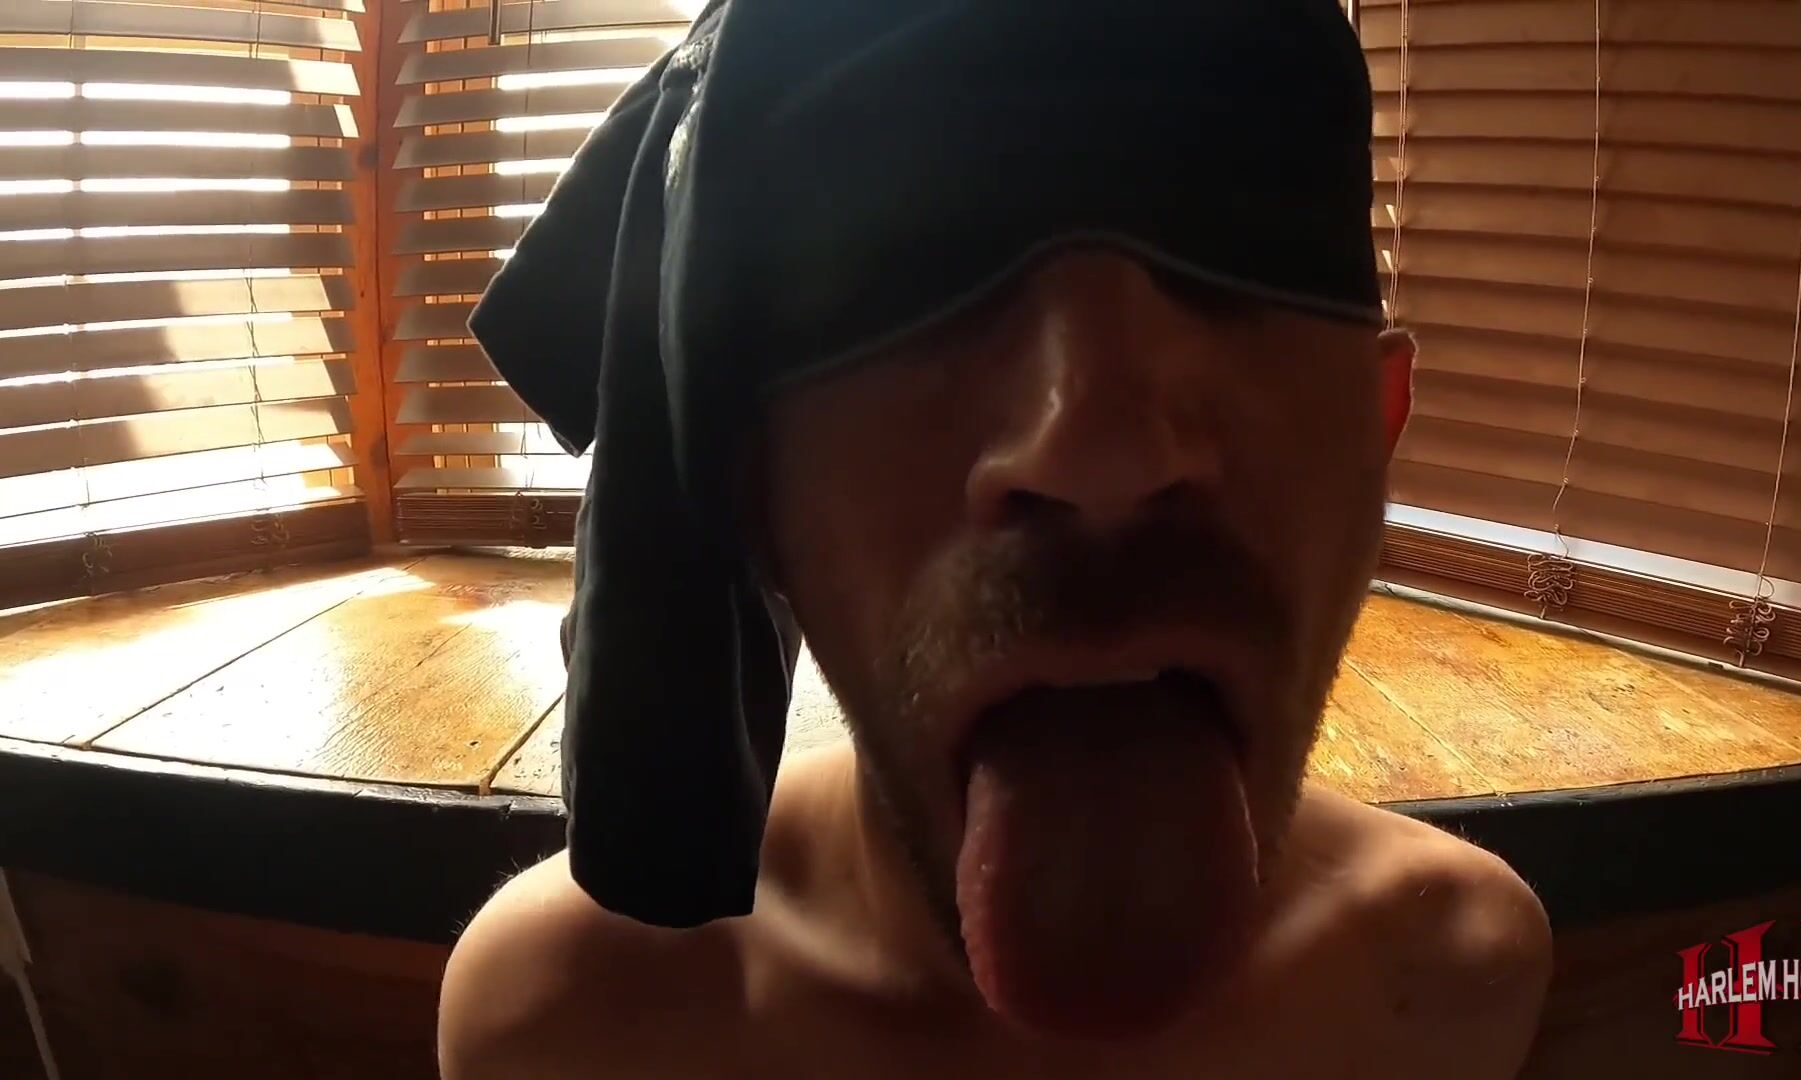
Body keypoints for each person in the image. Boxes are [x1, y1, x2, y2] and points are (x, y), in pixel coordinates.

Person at [440, 3, 1553, 1076]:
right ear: (753, 491)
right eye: (917, 283)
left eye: (1228, 267)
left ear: (1376, 432)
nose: (1101, 449)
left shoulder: (1454, 983)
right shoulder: (565, 1030)